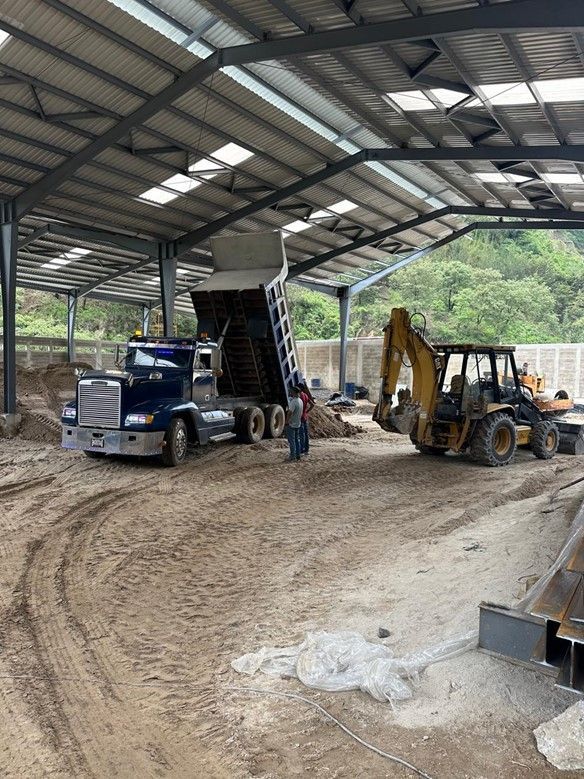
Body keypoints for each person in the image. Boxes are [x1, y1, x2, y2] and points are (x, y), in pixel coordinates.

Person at [285, 386, 303, 462]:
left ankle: (292, 456)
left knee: (291, 441)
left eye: (291, 391)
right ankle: (298, 455)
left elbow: (290, 412)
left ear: (294, 392)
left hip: (291, 424)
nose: (290, 392)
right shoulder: (300, 401)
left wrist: (287, 421)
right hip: (298, 423)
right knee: (297, 440)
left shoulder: (293, 402)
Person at [296, 382, 315, 456]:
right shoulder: (306, 395)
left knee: (301, 434)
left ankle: (302, 450)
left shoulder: (299, 397)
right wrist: (306, 411)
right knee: (306, 434)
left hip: (300, 417)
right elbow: (312, 405)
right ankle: (306, 450)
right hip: (305, 416)